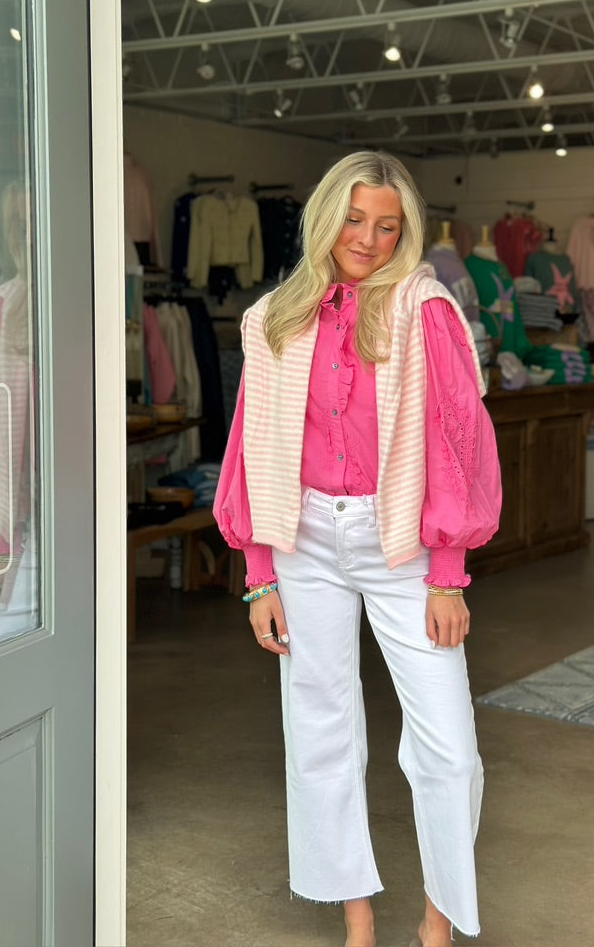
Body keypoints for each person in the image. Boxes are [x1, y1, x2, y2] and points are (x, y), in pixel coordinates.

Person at [214, 150, 502, 947]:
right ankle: (357, 918)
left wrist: (449, 573)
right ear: (323, 218)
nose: (367, 239)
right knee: (320, 728)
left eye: (387, 225)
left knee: (448, 741)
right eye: (352, 218)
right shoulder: (276, 316)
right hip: (302, 539)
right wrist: (258, 573)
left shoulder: (423, 310)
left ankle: (437, 923)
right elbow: (251, 447)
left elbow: (458, 439)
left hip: (401, 540)